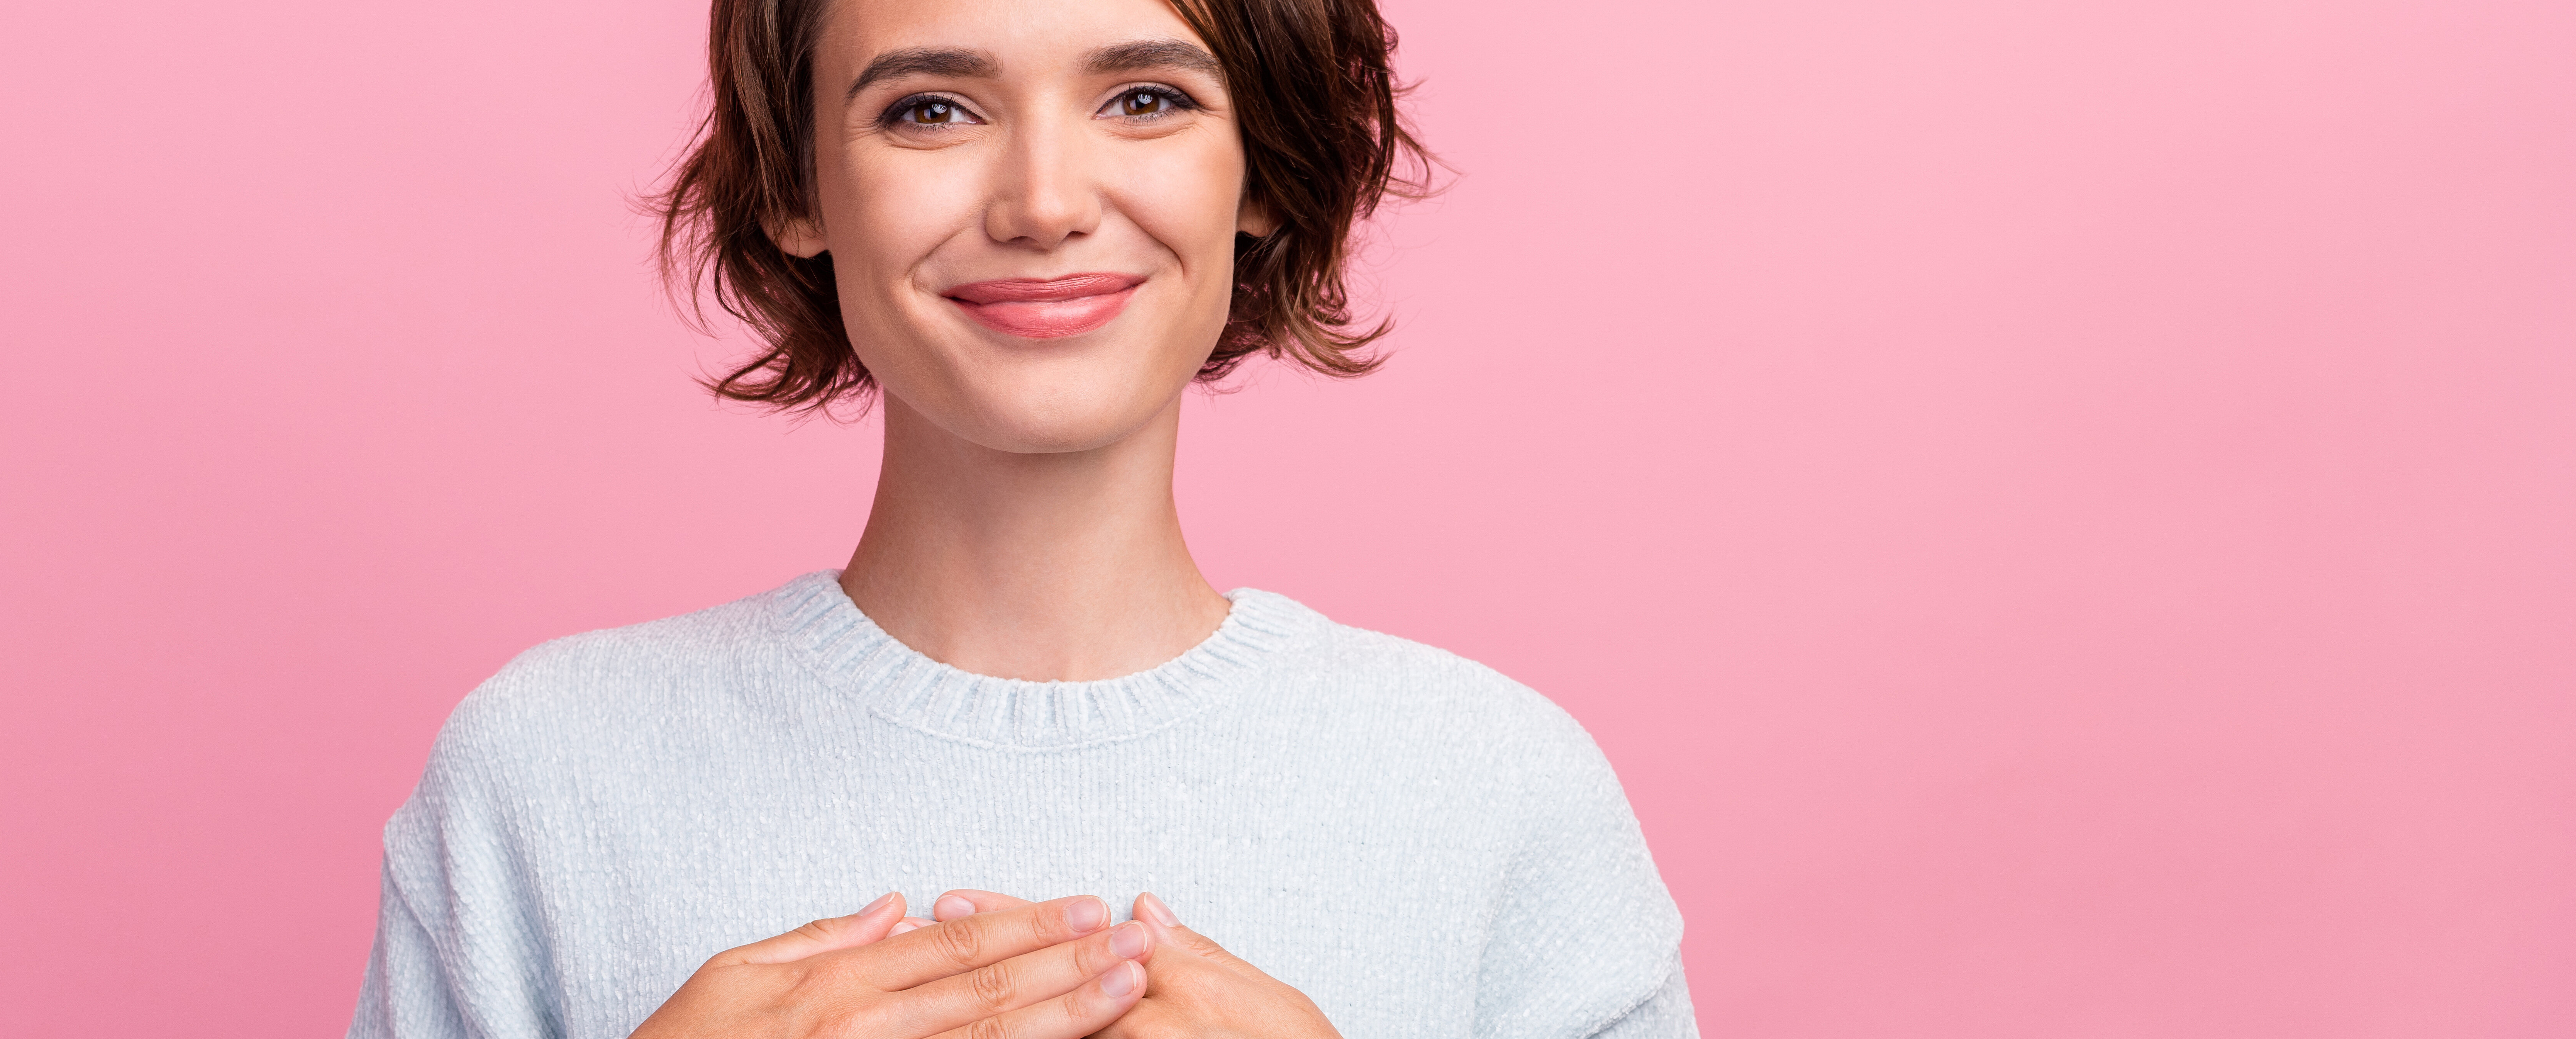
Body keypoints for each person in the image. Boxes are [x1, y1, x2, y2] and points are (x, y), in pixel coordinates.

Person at [349, 0, 1693, 1035]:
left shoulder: (1501, 793)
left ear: (1266, 170)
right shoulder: (542, 776)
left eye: (1148, 97)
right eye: (930, 109)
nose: (1045, 203)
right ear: (796, 188)